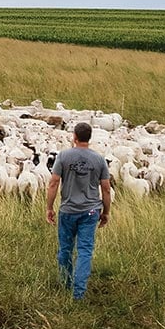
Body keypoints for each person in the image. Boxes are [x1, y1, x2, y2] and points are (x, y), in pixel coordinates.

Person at [45, 121, 111, 300]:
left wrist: (49, 207)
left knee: (65, 249)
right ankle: (78, 293)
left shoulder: (64, 156)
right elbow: (106, 188)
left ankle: (66, 283)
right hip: (91, 212)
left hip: (68, 210)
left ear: (74, 137)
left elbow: (53, 182)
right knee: (84, 251)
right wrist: (106, 212)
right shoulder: (99, 160)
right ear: (89, 138)